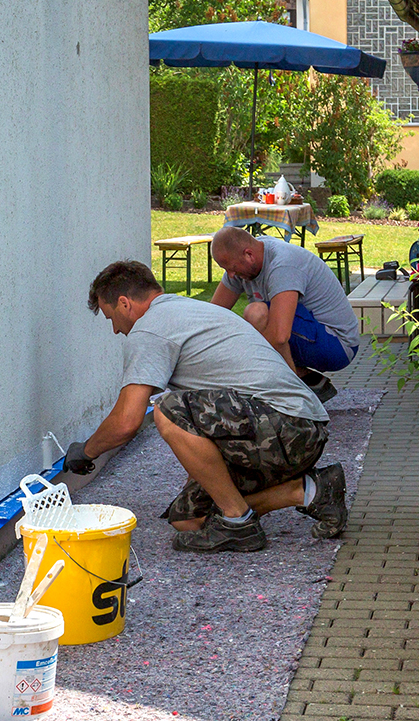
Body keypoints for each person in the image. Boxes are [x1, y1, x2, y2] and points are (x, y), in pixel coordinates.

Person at [63, 261, 348, 553]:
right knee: (189, 519)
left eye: (111, 317)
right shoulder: (191, 310)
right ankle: (309, 491)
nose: (114, 330)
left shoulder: (150, 329)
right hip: (294, 428)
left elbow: (127, 421)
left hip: (287, 426)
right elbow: (208, 422)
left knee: (167, 409)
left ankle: (238, 522)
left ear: (124, 304)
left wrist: (86, 452)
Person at [208, 226, 361, 402]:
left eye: (232, 268)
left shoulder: (283, 265)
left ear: (249, 254)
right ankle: (309, 382)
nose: (230, 275)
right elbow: (213, 317)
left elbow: (279, 336)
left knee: (256, 314)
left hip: (338, 345)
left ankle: (294, 395)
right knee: (239, 333)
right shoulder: (244, 261)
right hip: (310, 333)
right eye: (225, 269)